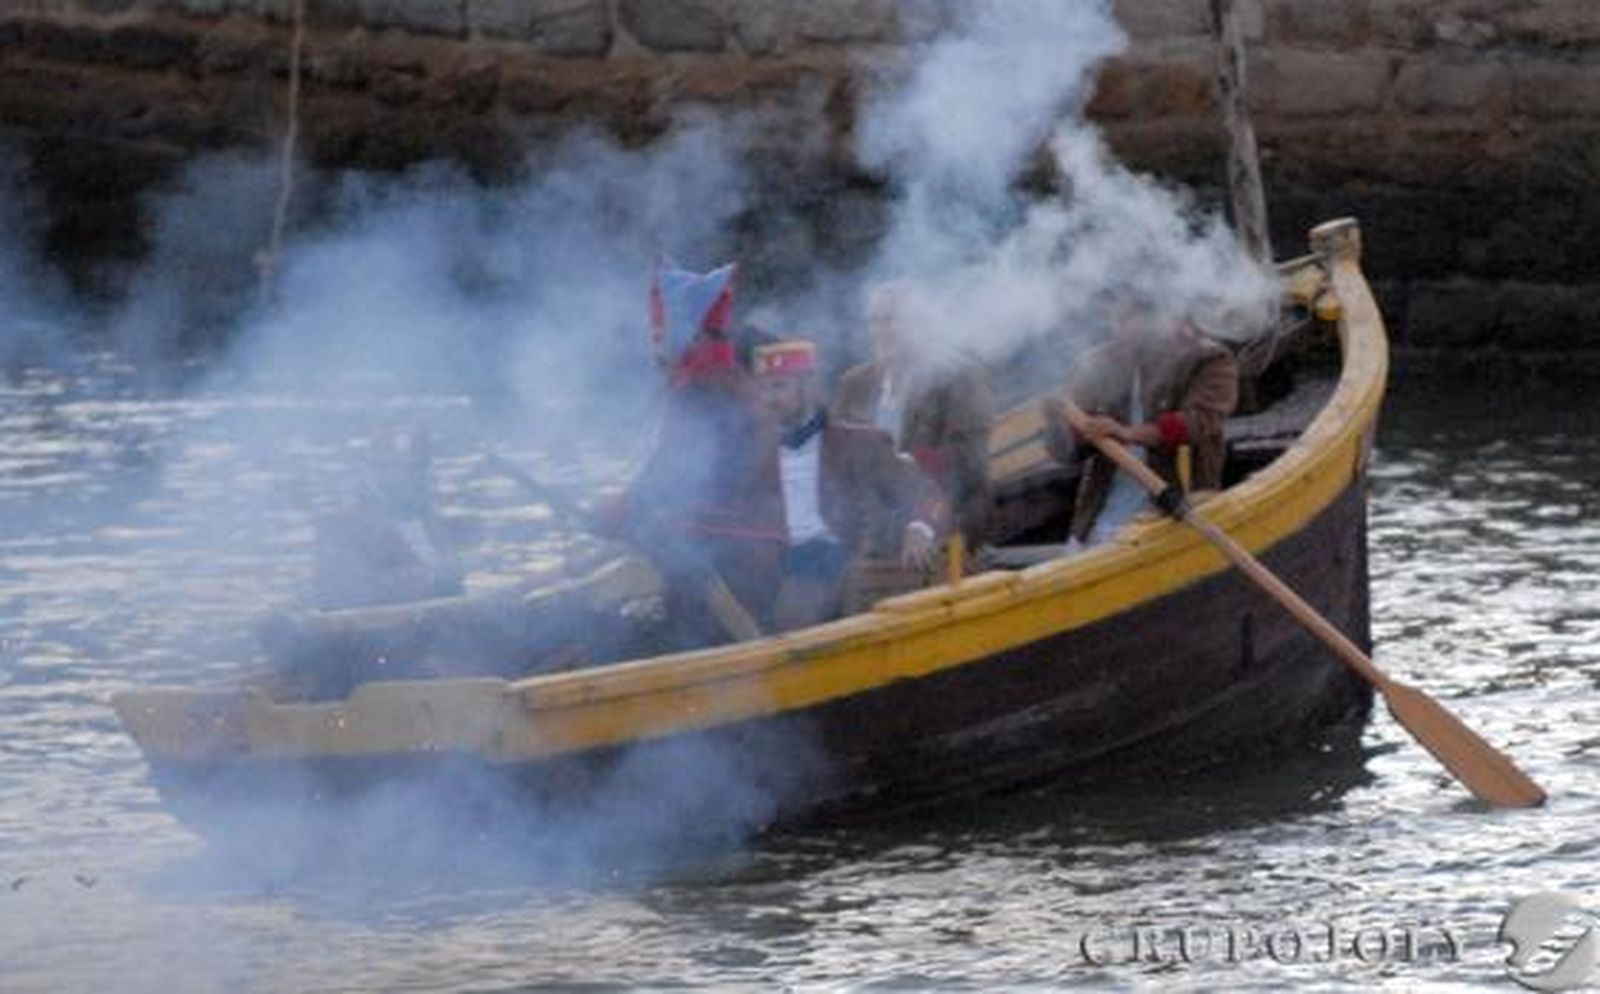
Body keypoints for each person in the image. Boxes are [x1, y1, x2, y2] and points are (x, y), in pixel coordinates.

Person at [605, 261, 784, 646]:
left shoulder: (700, 391)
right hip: (743, 557)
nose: (655, 344)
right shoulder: (729, 382)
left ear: (687, 334)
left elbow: (668, 477)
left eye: (660, 332)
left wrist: (619, 508)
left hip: (728, 568)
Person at [753, 338, 943, 631]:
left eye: (779, 386)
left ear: (807, 387)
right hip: (781, 566)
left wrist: (919, 527)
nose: (769, 398)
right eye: (764, 388)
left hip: (846, 564)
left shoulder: (859, 444)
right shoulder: (758, 457)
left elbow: (922, 489)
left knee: (801, 616)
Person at [1042, 301, 1239, 547]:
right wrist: (1060, 424)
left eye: (1134, 313)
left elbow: (1199, 421)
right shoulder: (1098, 364)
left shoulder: (1208, 359)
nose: (1122, 322)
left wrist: (1128, 434)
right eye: (1120, 313)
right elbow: (1064, 453)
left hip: (1179, 515)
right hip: (1097, 522)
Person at [831, 281, 995, 551]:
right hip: (870, 524)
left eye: (892, 320)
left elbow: (968, 463)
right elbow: (834, 456)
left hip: (946, 514)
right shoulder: (853, 384)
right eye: (874, 322)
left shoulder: (959, 376)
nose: (881, 331)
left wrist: (902, 468)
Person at [312, 426, 464, 609]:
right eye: (394, 466)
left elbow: (453, 575)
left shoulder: (429, 518)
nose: (406, 475)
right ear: (375, 470)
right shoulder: (343, 524)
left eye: (415, 467)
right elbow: (348, 591)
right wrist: (425, 576)